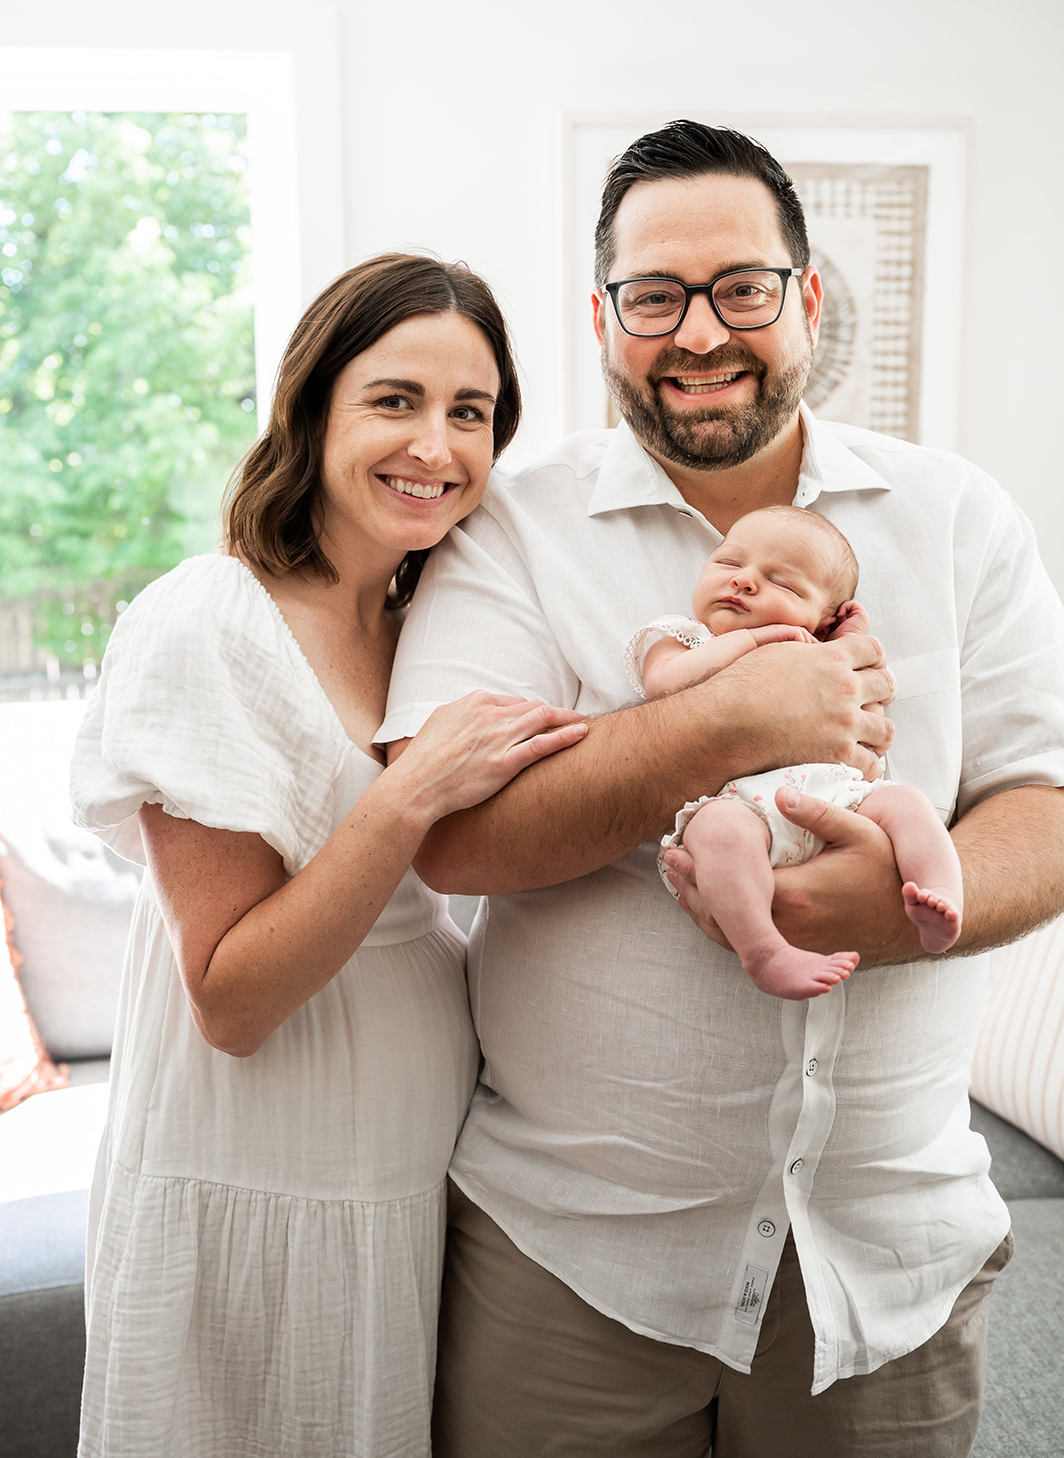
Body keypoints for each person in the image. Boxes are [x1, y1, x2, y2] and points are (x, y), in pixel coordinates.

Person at [379, 124, 1064, 1457]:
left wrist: (904, 910)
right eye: (654, 296)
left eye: (741, 288)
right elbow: (451, 838)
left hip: (888, 1257)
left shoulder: (956, 516)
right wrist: (723, 725)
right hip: (574, 1255)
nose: (700, 332)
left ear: (807, 298)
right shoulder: (508, 525)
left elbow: (1046, 801)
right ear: (602, 320)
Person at [68, 253, 587, 1458]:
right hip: (256, 1169)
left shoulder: (432, 626)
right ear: (311, 409)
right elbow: (231, 1000)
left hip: (403, 1170)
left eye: (470, 412)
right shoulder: (210, 620)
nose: (436, 445)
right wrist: (407, 795)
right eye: (394, 400)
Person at [630, 504, 964, 1000]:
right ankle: (764, 951)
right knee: (718, 833)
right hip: (741, 804)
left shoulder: (822, 653)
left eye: (782, 584)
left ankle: (939, 896)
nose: (743, 581)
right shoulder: (685, 638)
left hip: (838, 798)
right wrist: (755, 639)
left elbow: (867, 722)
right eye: (728, 562)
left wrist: (844, 644)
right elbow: (665, 685)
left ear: (823, 621)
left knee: (906, 803)